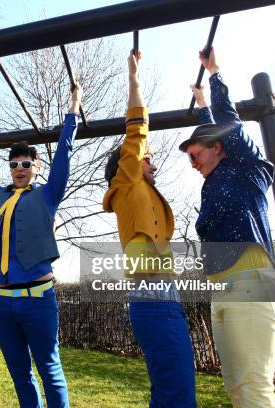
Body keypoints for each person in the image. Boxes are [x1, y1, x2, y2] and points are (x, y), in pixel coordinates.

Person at [0, 83, 82, 408]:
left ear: (36, 167)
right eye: (14, 164)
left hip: (38, 299)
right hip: (0, 300)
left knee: (49, 369)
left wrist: (73, 108)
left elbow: (63, 155)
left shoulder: (47, 195)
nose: (19, 169)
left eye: (26, 164)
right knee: (20, 374)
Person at [180, 47, 275, 407]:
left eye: (194, 154)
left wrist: (215, 76)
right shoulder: (214, 181)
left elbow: (230, 127)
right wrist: (202, 104)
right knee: (237, 391)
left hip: (250, 287)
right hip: (222, 292)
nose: (191, 162)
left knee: (255, 392)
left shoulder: (248, 172)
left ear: (218, 147)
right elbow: (217, 129)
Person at [103, 50, 196, 407]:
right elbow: (137, 128)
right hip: (154, 298)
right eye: (148, 158)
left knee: (174, 391)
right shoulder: (126, 182)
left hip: (164, 298)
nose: (153, 164)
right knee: (177, 395)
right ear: (129, 163)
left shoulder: (142, 194)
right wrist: (133, 77)